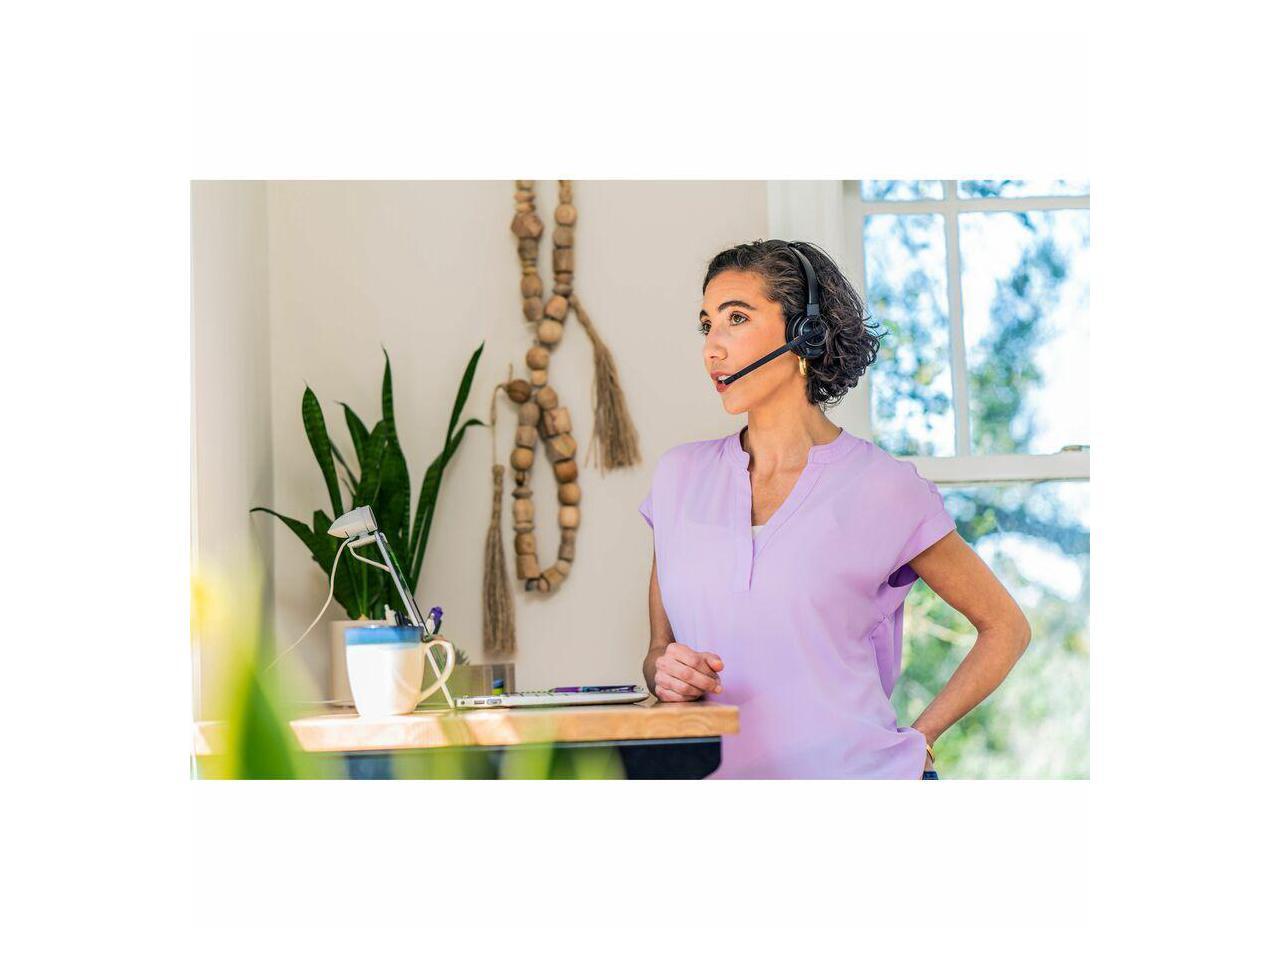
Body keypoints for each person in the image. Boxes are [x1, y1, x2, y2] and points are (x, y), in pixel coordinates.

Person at [638, 239, 1031, 779]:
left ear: (805, 331)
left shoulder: (886, 489)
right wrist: (666, 672)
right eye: (707, 325)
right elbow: (658, 653)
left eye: (737, 318)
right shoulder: (677, 479)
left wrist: (922, 742)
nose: (712, 348)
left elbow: (1006, 626)